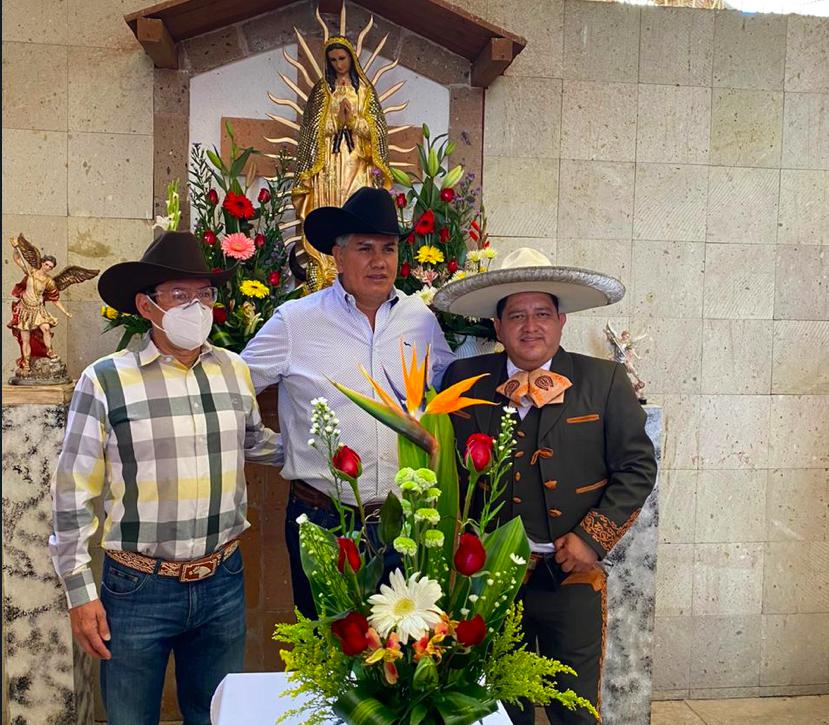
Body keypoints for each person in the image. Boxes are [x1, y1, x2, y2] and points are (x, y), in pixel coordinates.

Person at [49, 230, 283, 725]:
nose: (195, 307)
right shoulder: (106, 380)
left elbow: (253, 443)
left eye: (204, 295)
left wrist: (330, 443)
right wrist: (78, 590)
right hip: (138, 587)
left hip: (221, 580)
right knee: (131, 717)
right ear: (146, 304)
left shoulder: (234, 371)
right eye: (180, 295)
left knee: (217, 715)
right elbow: (73, 490)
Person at [434, 248, 657, 724]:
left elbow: (637, 467)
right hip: (488, 579)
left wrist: (592, 539)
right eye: (516, 315)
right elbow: (442, 473)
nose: (529, 326)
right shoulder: (463, 380)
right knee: (493, 707)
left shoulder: (605, 380)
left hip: (571, 578)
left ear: (561, 321)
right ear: (497, 327)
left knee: (571, 709)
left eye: (541, 314)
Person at [241, 187, 454, 619]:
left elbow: (447, 395)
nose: (379, 261)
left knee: (399, 656)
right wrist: (283, 449)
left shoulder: (421, 320)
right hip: (324, 520)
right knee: (326, 654)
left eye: (389, 249)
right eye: (365, 248)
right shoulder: (295, 322)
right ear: (338, 258)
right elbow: (231, 391)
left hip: (403, 523)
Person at [292, 35, 393, 289]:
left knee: (356, 211)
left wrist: (354, 123)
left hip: (357, 161)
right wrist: (337, 121)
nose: (338, 64)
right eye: (333, 60)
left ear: (351, 58)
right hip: (327, 166)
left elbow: (378, 132)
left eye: (342, 58)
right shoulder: (321, 91)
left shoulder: (365, 92)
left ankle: (358, 264)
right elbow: (311, 133)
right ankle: (325, 271)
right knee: (329, 209)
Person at [7, 234, 97, 374]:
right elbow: (18, 259)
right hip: (25, 309)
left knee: (46, 328)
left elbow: (55, 298)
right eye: (47, 264)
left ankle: (49, 351)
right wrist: (15, 247)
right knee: (25, 339)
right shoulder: (31, 271)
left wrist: (65, 311)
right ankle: (26, 364)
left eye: (51, 266)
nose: (48, 267)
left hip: (38, 310)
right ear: (42, 263)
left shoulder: (49, 282)